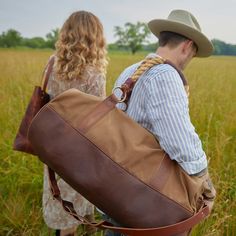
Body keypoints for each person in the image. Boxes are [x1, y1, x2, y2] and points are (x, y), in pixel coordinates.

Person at [103, 9, 216, 236]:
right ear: (187, 46)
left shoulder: (130, 71)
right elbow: (180, 142)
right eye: (193, 54)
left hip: (116, 191)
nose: (190, 61)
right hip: (146, 201)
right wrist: (206, 185)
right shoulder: (165, 75)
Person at [42, 11, 108, 236]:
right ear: (94, 37)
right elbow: (99, 119)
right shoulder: (95, 74)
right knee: (74, 208)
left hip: (51, 144)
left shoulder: (52, 64)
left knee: (59, 197)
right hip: (79, 150)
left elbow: (47, 101)